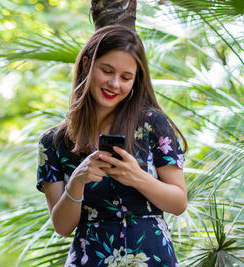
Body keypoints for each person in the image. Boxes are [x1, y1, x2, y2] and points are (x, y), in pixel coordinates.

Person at [36, 25, 187, 266]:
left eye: (126, 77)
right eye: (107, 71)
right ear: (86, 64)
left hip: (154, 258)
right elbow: (62, 227)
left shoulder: (152, 124)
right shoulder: (53, 142)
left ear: (135, 80)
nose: (115, 84)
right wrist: (77, 181)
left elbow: (179, 203)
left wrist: (137, 177)